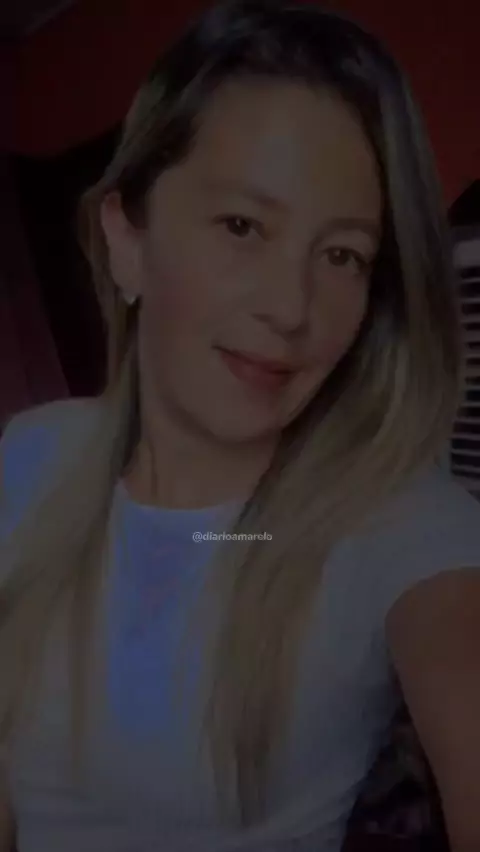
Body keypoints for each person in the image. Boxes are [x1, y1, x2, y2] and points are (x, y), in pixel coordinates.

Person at [1, 1, 480, 849]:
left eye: (342, 255)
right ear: (128, 241)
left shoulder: (399, 519)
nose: (292, 309)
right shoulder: (34, 450)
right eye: (242, 226)